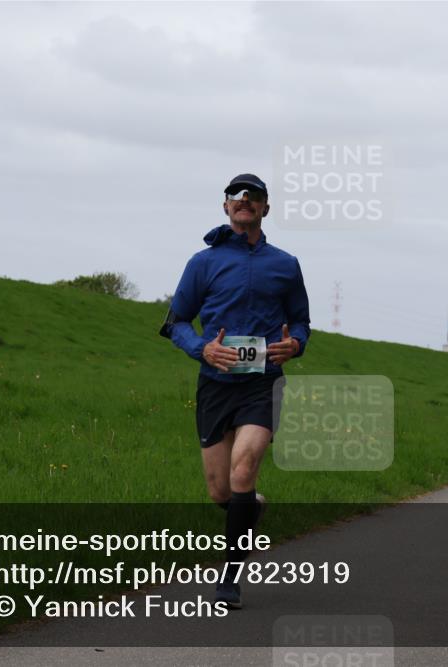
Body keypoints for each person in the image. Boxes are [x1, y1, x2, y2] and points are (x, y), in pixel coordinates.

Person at [163, 173, 311, 609]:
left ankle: (229, 576)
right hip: (215, 384)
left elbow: (301, 321)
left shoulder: (286, 264)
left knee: (244, 470)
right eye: (236, 196)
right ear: (225, 207)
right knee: (221, 492)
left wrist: (296, 344)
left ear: (266, 208)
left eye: (254, 196)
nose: (245, 201)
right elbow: (175, 322)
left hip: (263, 383)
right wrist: (202, 349)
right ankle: (250, 510)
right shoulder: (202, 263)